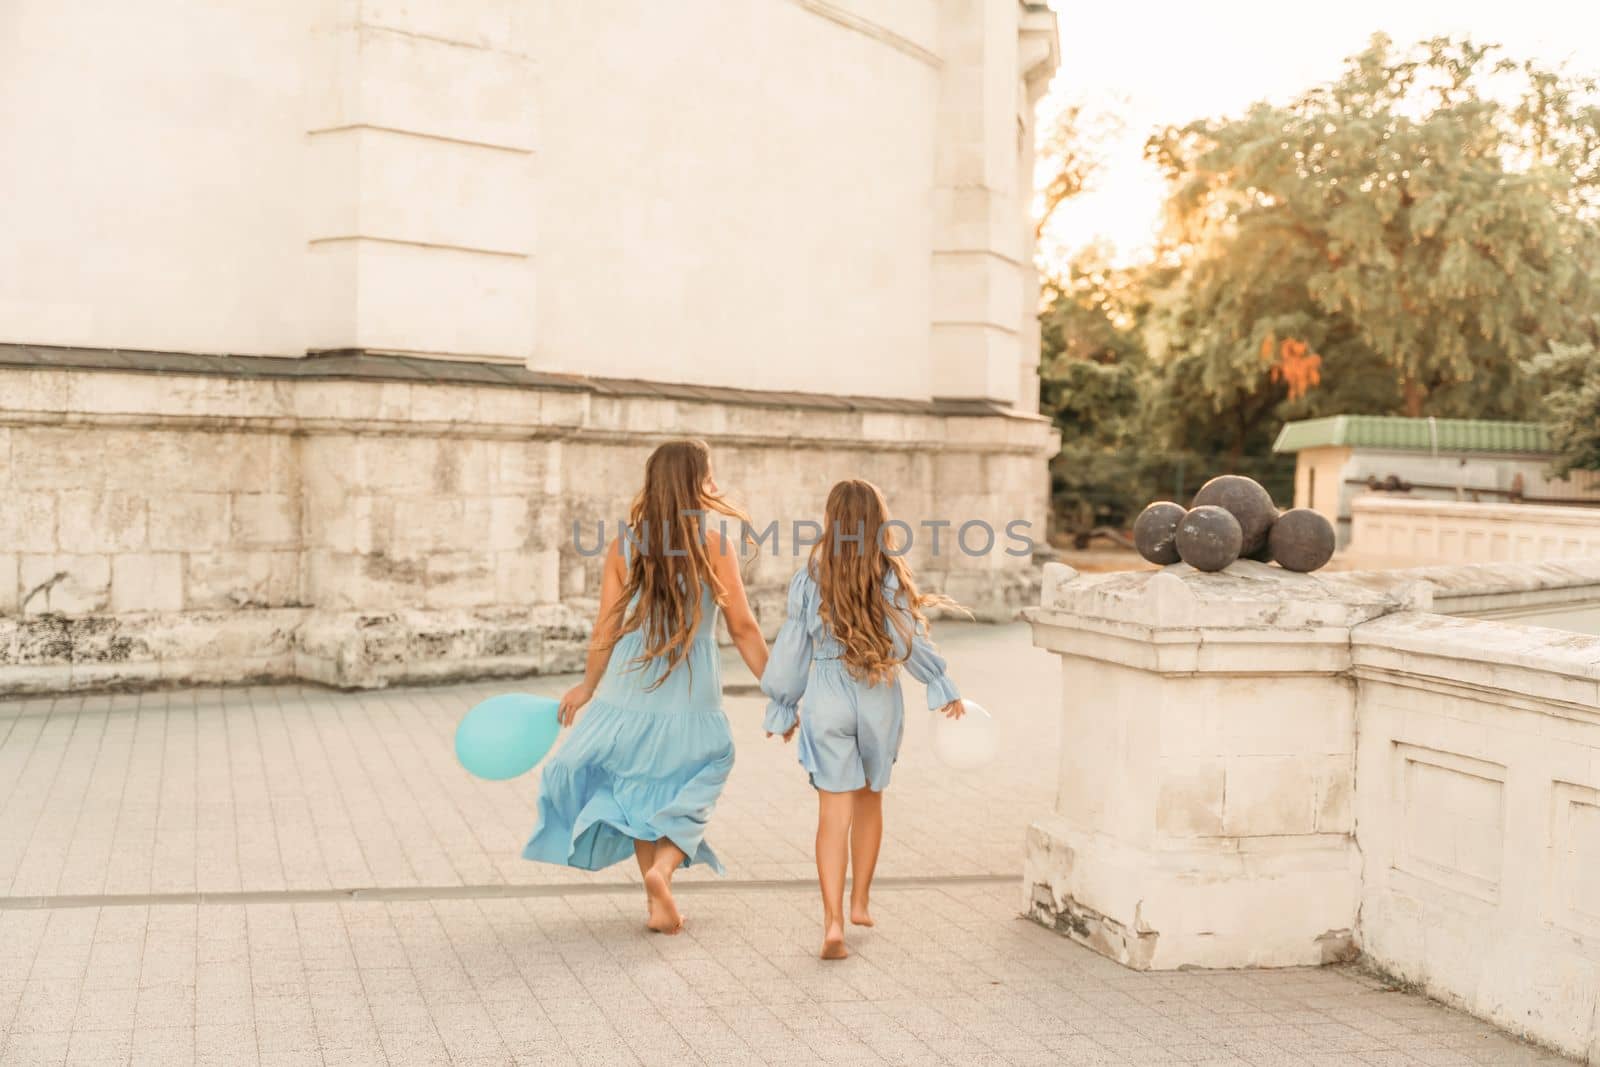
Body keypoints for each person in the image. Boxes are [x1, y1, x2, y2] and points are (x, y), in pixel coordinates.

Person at [523, 440, 769, 935]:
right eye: (709, 474)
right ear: (695, 483)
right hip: (691, 694)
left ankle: (656, 901)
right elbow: (743, 627)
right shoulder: (715, 546)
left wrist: (587, 687)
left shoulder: (624, 544)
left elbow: (606, 628)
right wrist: (781, 690)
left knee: (635, 786)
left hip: (627, 692)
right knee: (705, 773)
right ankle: (664, 870)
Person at [760, 479, 966, 959]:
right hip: (877, 691)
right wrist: (940, 685)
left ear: (831, 519)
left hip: (827, 693)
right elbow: (904, 640)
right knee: (871, 798)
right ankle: (860, 901)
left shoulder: (810, 576)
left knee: (833, 814)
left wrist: (783, 706)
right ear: (879, 521)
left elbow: (794, 647)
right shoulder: (889, 573)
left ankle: (832, 923)